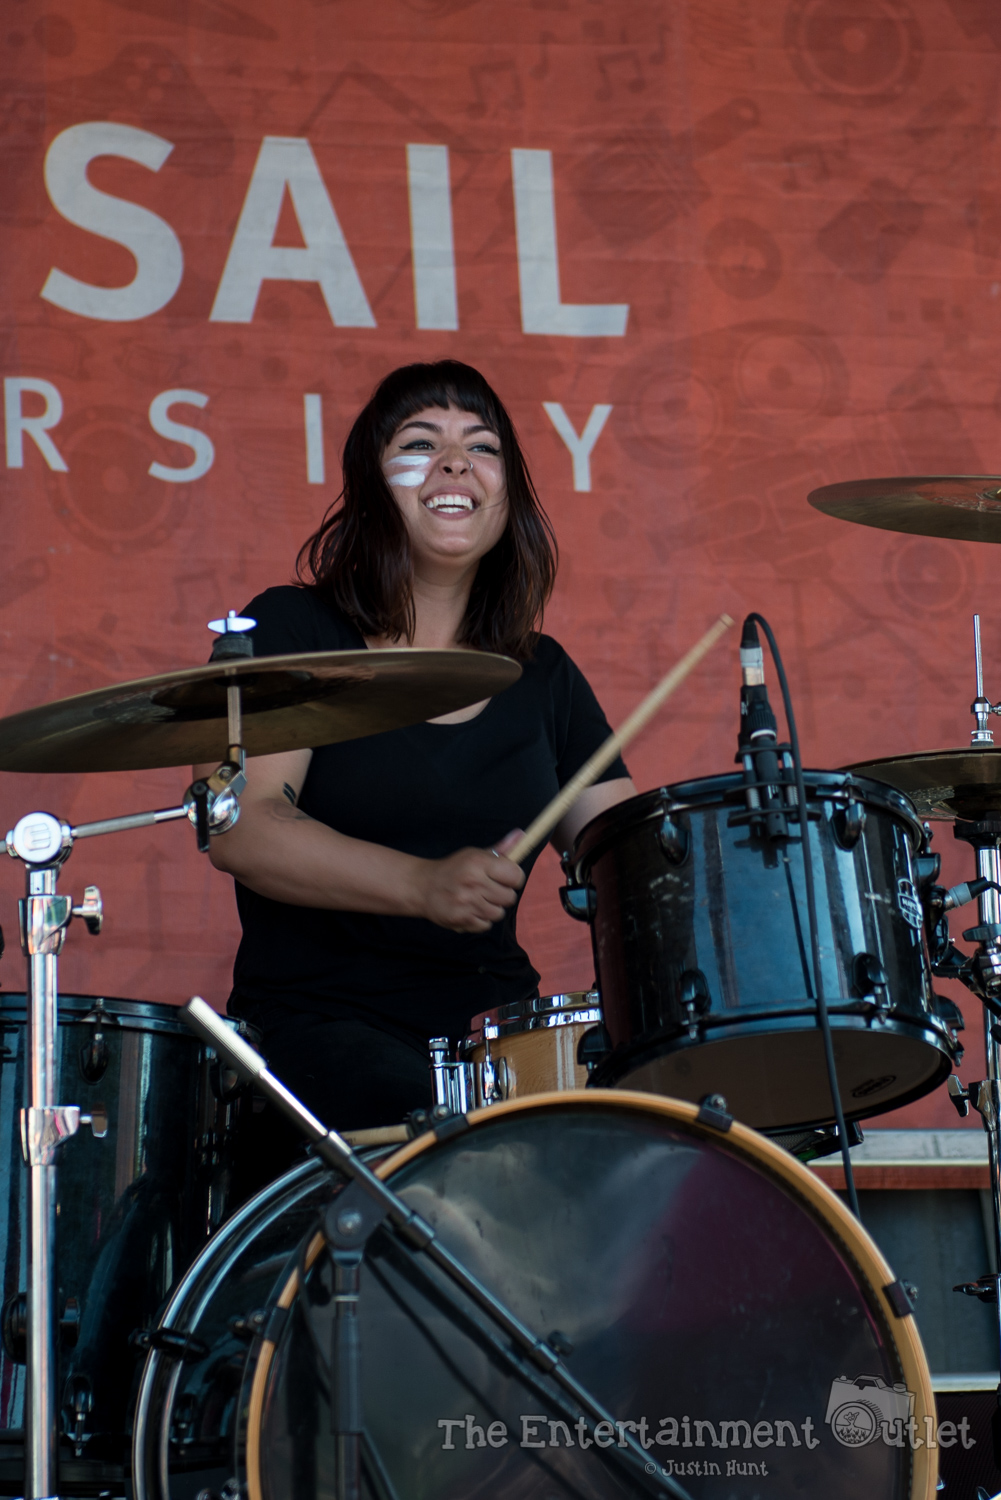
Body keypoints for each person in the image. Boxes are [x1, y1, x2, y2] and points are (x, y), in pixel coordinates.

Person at [198, 360, 635, 1155]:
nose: (455, 463)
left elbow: (630, 860)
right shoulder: (292, 630)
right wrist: (423, 885)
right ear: (372, 482)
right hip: (318, 1036)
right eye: (420, 443)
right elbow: (241, 827)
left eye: (482, 446)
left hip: (496, 1044)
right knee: (450, 1150)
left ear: (508, 492)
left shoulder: (542, 673)